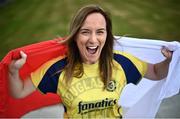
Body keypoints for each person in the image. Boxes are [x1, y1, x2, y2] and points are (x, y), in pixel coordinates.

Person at [8, 5, 172, 118]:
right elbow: (19, 92)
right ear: (75, 36)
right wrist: (13, 72)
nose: (93, 40)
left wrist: (169, 60)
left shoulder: (121, 63)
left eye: (100, 32)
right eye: (85, 32)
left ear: (107, 35)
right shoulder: (57, 69)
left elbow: (157, 72)